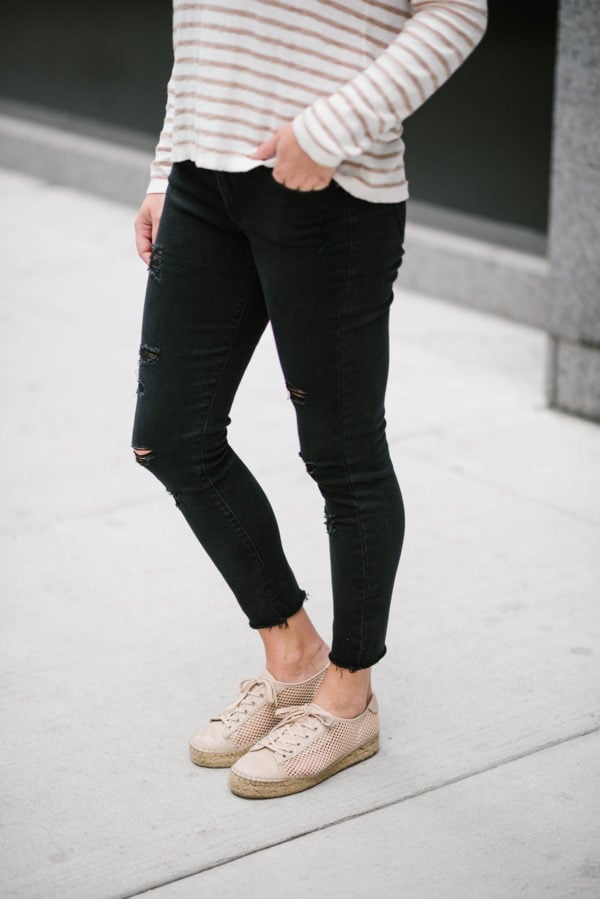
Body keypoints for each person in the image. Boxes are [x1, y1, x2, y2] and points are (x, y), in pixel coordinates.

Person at [132, 0, 487, 799]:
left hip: (330, 187)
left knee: (342, 455)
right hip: (202, 181)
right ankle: (292, 655)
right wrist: (166, 166)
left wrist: (329, 131)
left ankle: (349, 693)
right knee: (170, 437)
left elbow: (459, 11)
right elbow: (203, 30)